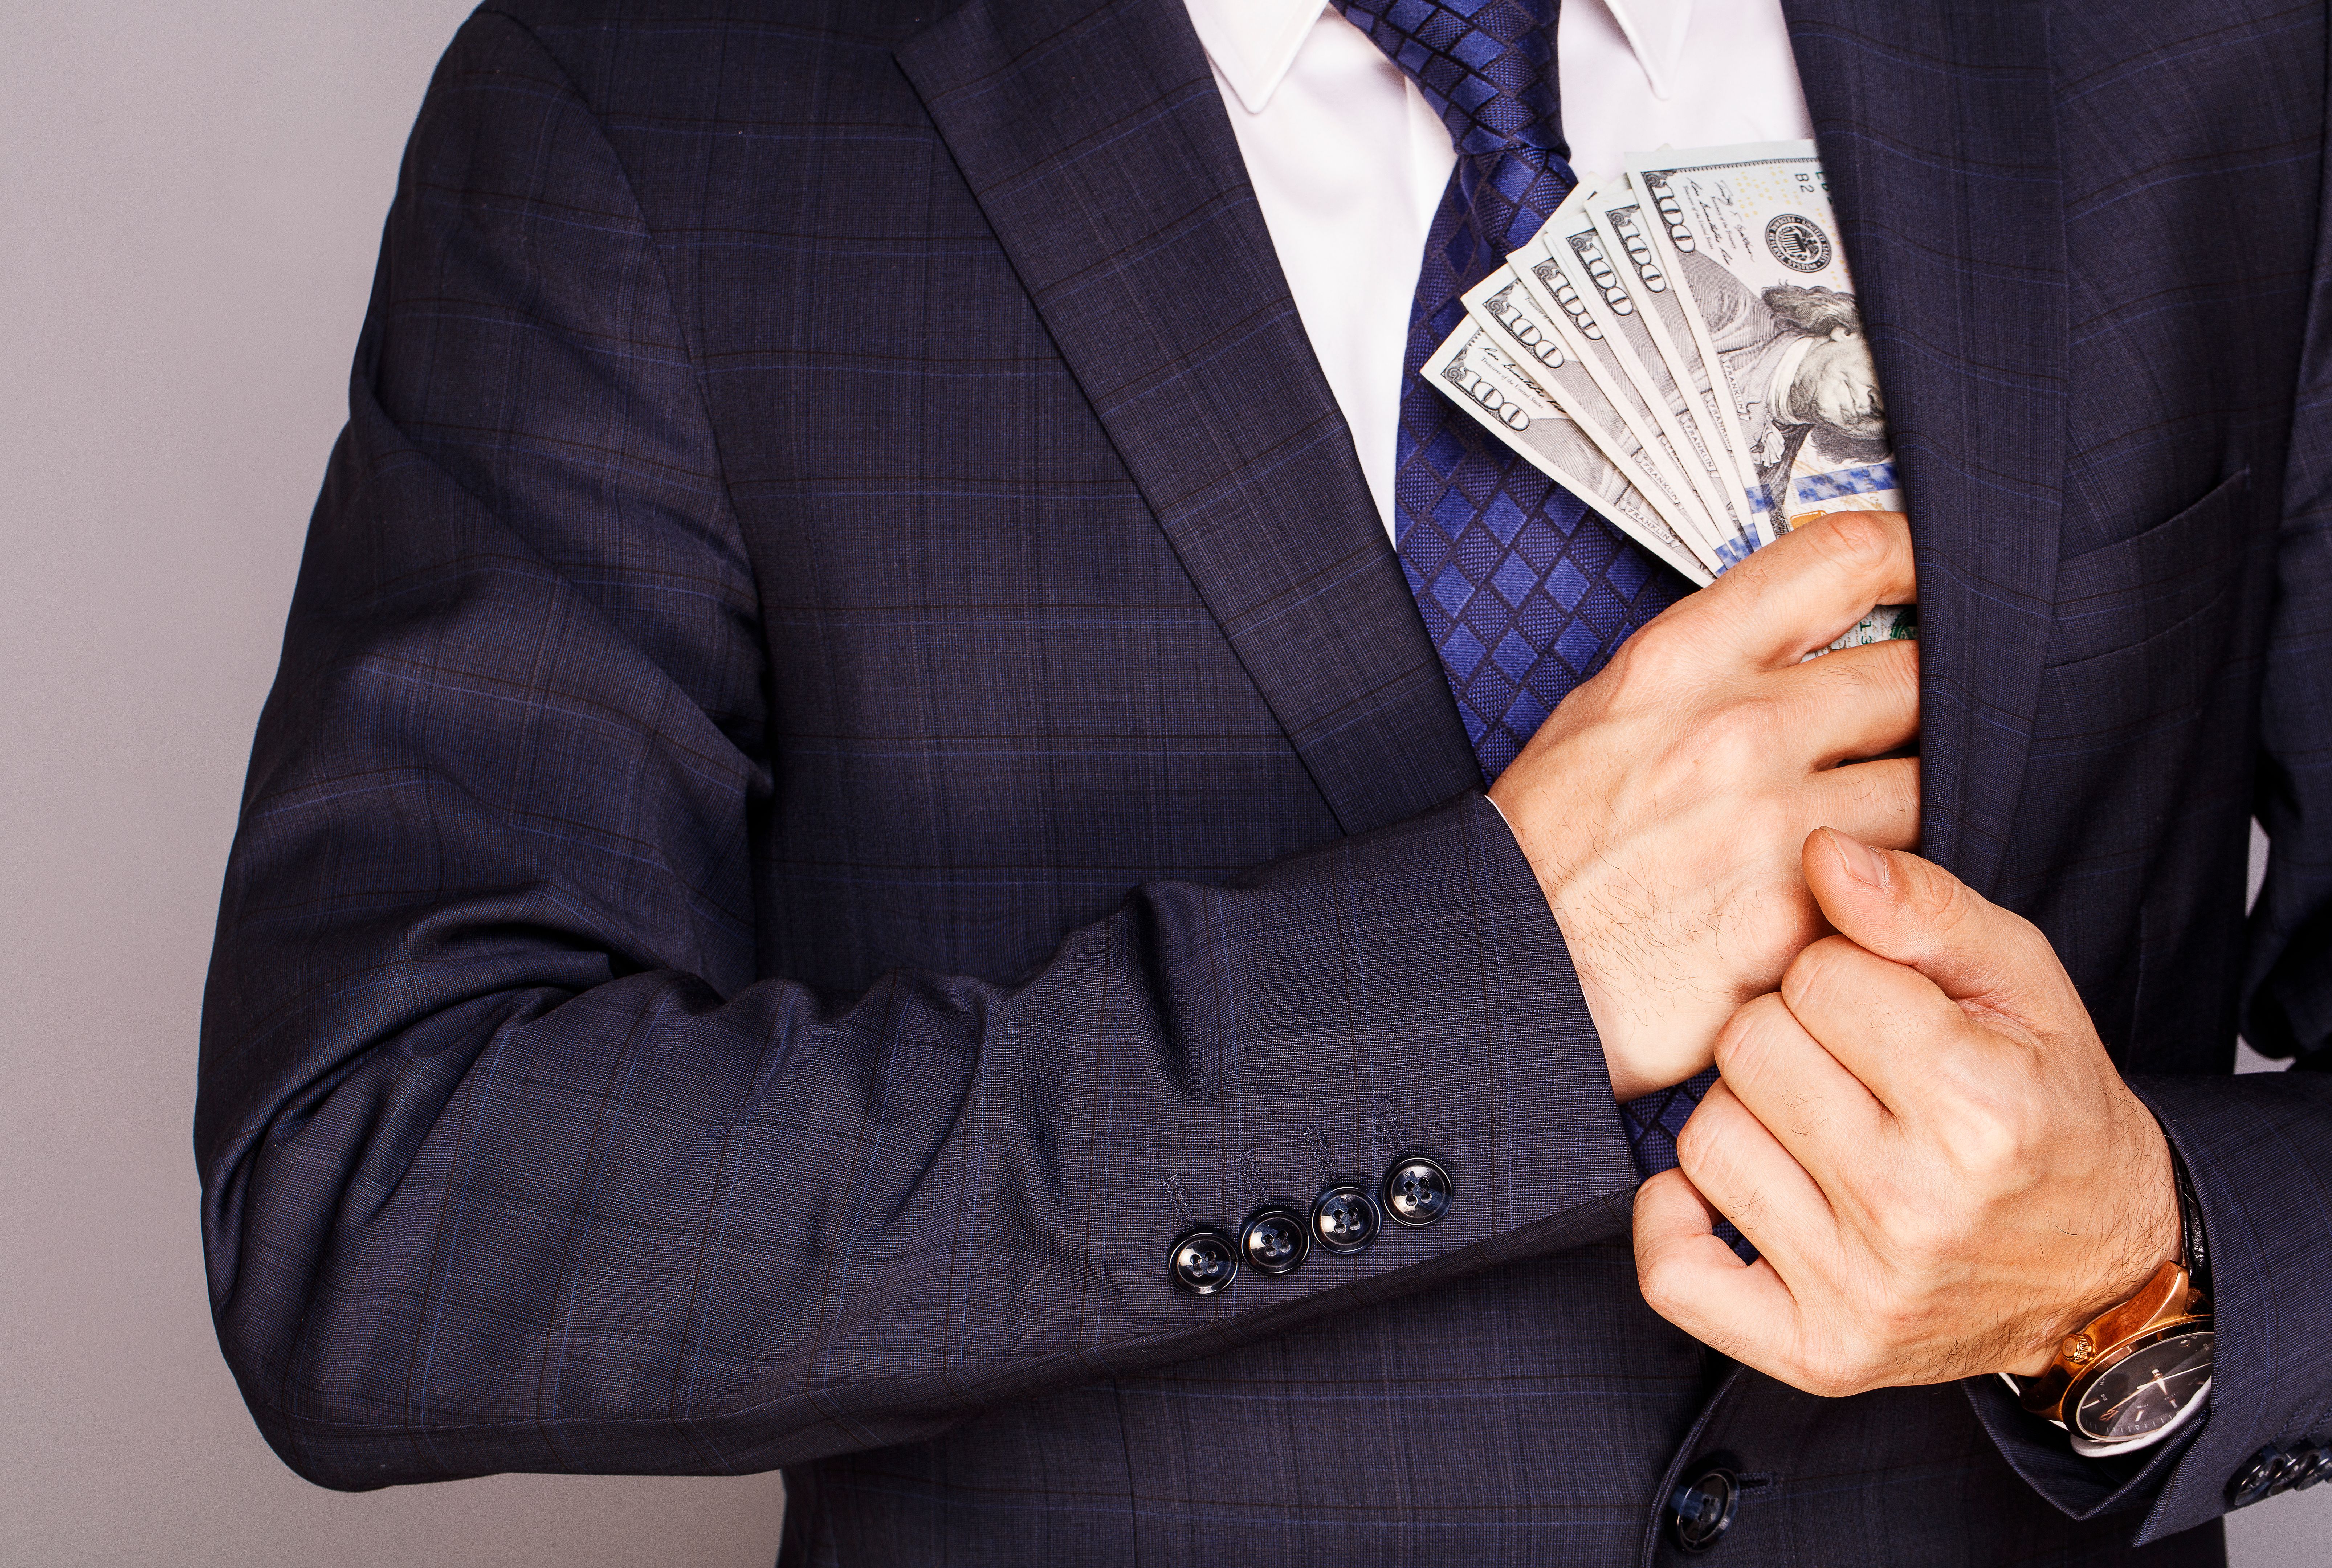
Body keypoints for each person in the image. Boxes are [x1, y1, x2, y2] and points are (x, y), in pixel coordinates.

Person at [195, 0, 2332, 1561]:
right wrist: (1491, 986)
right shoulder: (657, 102)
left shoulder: (2207, 56)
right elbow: (381, 1213)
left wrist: (2141, 1267)